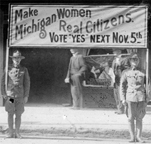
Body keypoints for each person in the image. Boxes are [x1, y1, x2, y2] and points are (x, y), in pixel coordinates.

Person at [120, 53, 150, 143]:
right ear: (130, 61)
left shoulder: (144, 72)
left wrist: (147, 98)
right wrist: (123, 99)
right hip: (130, 98)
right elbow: (122, 86)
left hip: (141, 98)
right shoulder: (126, 72)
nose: (135, 61)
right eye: (133, 59)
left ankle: (139, 137)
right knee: (130, 118)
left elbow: (148, 85)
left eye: (136, 59)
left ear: (138, 61)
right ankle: (132, 137)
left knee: (140, 118)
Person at [1, 50, 30, 138]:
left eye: (18, 58)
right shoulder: (8, 68)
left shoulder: (24, 69)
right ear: (12, 59)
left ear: (20, 60)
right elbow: (2, 82)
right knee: (10, 113)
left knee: (19, 114)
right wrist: (3, 94)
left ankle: (17, 132)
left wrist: (26, 96)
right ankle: (10, 132)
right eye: (15, 58)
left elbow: (27, 83)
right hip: (11, 95)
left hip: (20, 96)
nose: (17, 60)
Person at [112, 49, 130, 114]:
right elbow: (113, 70)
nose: (113, 52)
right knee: (116, 94)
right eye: (113, 51)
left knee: (121, 94)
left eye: (115, 51)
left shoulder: (125, 59)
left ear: (119, 51)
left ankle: (121, 109)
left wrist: (120, 65)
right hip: (115, 79)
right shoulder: (114, 60)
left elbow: (127, 69)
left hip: (121, 79)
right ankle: (119, 108)